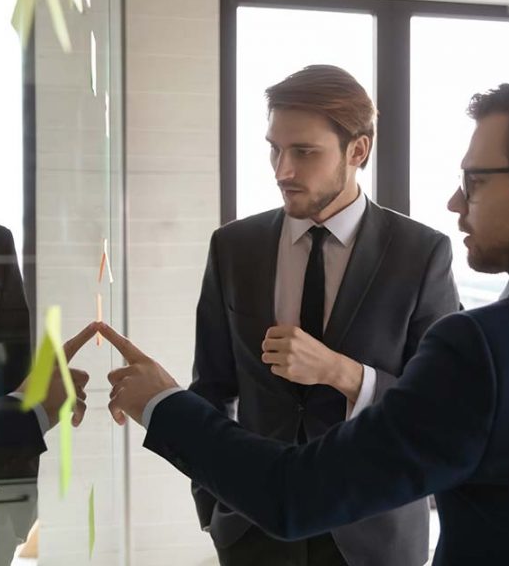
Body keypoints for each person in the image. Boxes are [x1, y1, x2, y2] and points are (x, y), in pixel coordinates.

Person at [101, 77, 509, 565]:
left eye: (475, 181)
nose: (454, 202)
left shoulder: (479, 348)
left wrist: (162, 403)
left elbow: (292, 496)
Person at [185, 64, 459, 565]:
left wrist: (343, 374)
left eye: (304, 152)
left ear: (358, 151)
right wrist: (212, 506)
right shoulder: (234, 247)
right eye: (274, 148)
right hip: (251, 527)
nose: (282, 169)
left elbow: (443, 410)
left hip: (373, 531)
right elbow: (210, 388)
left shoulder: (420, 254)